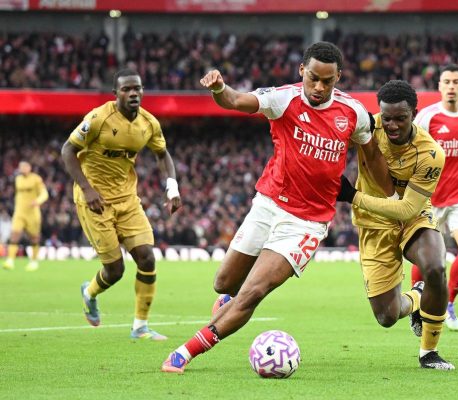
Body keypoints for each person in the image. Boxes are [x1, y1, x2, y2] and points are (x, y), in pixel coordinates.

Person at [161, 41, 393, 373]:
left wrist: (392, 194)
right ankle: (229, 302)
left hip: (307, 223)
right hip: (268, 204)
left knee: (254, 291)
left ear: (338, 77)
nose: (319, 87)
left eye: (327, 81)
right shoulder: (284, 99)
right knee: (224, 284)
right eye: (313, 78)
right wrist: (219, 88)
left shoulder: (353, 113)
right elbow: (236, 101)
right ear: (302, 71)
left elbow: (373, 160)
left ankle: (185, 352)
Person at [338, 80, 454, 370]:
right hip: (374, 225)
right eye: (386, 118)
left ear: (414, 113)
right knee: (387, 316)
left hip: (412, 216)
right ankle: (417, 296)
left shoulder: (430, 154)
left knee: (436, 268)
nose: (391, 125)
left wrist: (352, 196)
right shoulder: (367, 128)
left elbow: (407, 209)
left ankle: (429, 352)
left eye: (400, 118)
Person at [61, 68, 181, 339]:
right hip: (95, 200)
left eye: (137, 88)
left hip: (127, 199)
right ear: (116, 94)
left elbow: (163, 154)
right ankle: (89, 292)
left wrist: (172, 188)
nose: (133, 93)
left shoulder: (149, 123)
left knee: (147, 257)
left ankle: (140, 327)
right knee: (115, 270)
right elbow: (67, 150)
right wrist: (87, 189)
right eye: (126, 89)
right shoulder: (98, 118)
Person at [411, 64, 458, 331]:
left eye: (456, 82)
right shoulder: (428, 117)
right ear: (439, 86)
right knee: (426, 258)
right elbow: (412, 147)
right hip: (430, 198)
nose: (451, 86)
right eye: (447, 82)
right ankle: (417, 304)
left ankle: (448, 303)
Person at [2, 161, 49, 272]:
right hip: (19, 212)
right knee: (15, 233)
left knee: (34, 237)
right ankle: (10, 260)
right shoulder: (18, 179)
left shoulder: (36, 179)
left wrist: (38, 201)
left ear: (29, 168)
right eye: (21, 167)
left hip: (32, 213)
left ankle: (34, 261)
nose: (22, 169)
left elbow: (44, 193)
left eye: (24, 167)